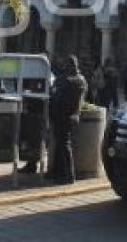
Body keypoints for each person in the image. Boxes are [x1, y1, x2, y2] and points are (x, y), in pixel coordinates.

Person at [48, 55, 87, 184]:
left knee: (64, 144)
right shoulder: (81, 79)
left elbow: (56, 95)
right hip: (72, 115)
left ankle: (68, 175)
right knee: (62, 143)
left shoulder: (66, 80)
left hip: (62, 115)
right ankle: (59, 172)